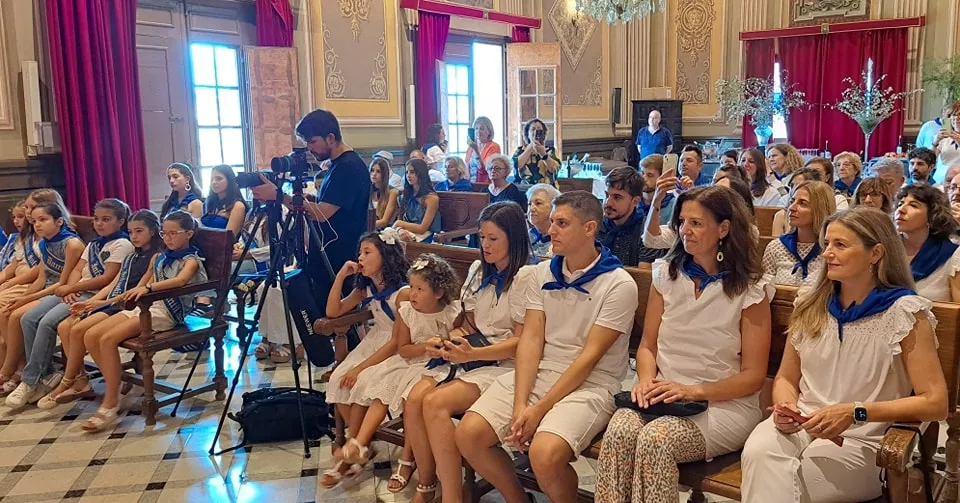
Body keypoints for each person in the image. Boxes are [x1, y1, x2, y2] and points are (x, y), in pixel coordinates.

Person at [740, 208, 948, 502]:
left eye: (840, 245)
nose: (826, 254)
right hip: (803, 423)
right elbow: (787, 377)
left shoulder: (904, 313)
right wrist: (786, 405)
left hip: (862, 439)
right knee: (759, 453)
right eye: (826, 244)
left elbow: (935, 402)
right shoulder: (810, 304)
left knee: (794, 480)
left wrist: (855, 411)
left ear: (875, 253)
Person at [456, 191, 638, 503]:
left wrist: (538, 410)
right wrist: (520, 405)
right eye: (552, 222)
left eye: (562, 223)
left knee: (544, 453)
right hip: (541, 371)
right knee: (469, 434)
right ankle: (518, 499)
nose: (550, 230)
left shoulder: (618, 284)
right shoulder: (541, 273)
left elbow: (589, 357)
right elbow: (530, 341)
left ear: (589, 228)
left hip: (592, 383)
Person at [596, 185, 773, 503]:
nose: (685, 231)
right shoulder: (667, 275)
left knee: (657, 439)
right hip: (665, 395)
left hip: (722, 404)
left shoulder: (750, 288)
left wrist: (693, 391)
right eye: (682, 222)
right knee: (621, 428)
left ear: (723, 228)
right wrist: (647, 381)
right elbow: (648, 345)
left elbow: (753, 376)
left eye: (696, 223)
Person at [403, 202, 535, 502]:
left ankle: (455, 497)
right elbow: (471, 323)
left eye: (493, 239)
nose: (485, 245)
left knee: (436, 403)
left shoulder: (527, 276)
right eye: (482, 237)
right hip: (476, 357)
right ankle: (442, 488)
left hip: (510, 365)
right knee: (420, 398)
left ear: (513, 238)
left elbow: (523, 342)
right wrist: (452, 339)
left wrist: (471, 354)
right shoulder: (479, 269)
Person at [334, 254, 460, 487]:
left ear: (439, 293)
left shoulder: (453, 312)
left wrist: (444, 345)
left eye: (420, 289)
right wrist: (424, 346)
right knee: (379, 385)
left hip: (438, 367)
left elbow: (460, 339)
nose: (412, 294)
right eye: (411, 286)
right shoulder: (407, 312)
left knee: (409, 397)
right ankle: (359, 443)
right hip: (410, 361)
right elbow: (403, 349)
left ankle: (405, 459)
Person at [79, 210, 208, 431]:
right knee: (91, 335)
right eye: (164, 233)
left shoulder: (191, 260)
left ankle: (111, 403)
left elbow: (180, 280)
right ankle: (117, 379)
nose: (167, 238)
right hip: (145, 308)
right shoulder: (158, 257)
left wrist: (149, 288)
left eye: (173, 234)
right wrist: (101, 304)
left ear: (188, 233)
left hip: (165, 313)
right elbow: (138, 287)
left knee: (108, 339)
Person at [250, 109, 372, 314]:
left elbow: (322, 213)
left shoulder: (348, 167)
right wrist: (307, 201)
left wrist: (279, 196)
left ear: (331, 138)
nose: (309, 148)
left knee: (335, 320)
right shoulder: (337, 165)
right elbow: (333, 206)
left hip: (337, 257)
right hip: (327, 255)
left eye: (313, 141)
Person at [320, 228, 410, 488]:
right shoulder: (366, 288)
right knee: (337, 379)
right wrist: (340, 276)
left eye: (367, 252)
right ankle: (361, 445)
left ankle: (352, 453)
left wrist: (359, 368)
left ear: (386, 255)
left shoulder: (402, 293)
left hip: (394, 347)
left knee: (359, 381)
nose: (360, 258)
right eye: (359, 252)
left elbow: (396, 340)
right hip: (372, 342)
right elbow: (333, 310)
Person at [46, 210, 163, 408]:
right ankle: (83, 379)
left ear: (153, 231)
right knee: (66, 326)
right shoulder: (132, 255)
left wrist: (100, 303)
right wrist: (94, 301)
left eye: (139, 232)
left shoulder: (155, 256)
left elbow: (135, 290)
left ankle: (74, 380)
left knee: (81, 330)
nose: (133, 237)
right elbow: (114, 283)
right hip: (114, 300)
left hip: (129, 305)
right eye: (131, 232)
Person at [0, 201, 85, 401]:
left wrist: (26, 299)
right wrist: (23, 297)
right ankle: (36, 371)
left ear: (59, 221)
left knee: (26, 317)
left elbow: (61, 284)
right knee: (22, 317)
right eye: (35, 221)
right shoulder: (45, 242)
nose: (37, 225)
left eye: (43, 220)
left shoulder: (71, 244)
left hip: (66, 292)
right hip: (50, 290)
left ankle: (25, 373)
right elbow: (42, 278)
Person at [894, 184, 960, 302]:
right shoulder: (884, 251)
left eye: (913, 205)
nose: (901, 210)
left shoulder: (953, 254)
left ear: (932, 215)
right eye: (900, 204)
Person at [762, 182, 836, 287]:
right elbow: (765, 291)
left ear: (820, 209)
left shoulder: (831, 251)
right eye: (792, 201)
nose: (792, 208)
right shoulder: (776, 247)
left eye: (802, 203)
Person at [599, 167, 666, 266]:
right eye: (607, 195)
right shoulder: (595, 225)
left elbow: (643, 276)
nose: (608, 203)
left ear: (635, 201)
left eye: (617, 197)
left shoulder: (647, 233)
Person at [395, 159, 442, 243]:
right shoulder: (406, 195)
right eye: (407, 172)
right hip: (405, 232)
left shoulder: (431, 198)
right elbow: (400, 218)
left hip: (424, 236)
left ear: (421, 174)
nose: (408, 175)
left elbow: (422, 228)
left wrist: (399, 223)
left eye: (412, 172)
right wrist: (400, 230)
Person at [513, 118, 560, 187]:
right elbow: (516, 166)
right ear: (527, 134)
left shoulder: (551, 150)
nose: (536, 132)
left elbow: (554, 170)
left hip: (547, 189)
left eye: (539, 129)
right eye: (533, 129)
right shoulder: (520, 150)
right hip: (524, 189)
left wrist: (543, 154)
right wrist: (530, 148)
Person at [201, 165, 246, 234]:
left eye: (219, 179)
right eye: (211, 179)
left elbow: (230, 238)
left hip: (224, 243)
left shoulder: (237, 205)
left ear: (229, 180)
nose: (214, 182)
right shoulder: (210, 202)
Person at [638, 155, 677, 225]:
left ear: (663, 178)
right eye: (642, 173)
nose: (643, 178)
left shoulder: (673, 205)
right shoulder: (633, 201)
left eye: (649, 175)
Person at [527, 184, 561, 260]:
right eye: (529, 204)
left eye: (538, 203)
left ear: (553, 207)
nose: (531, 208)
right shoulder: (526, 236)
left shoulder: (560, 239)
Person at [465, 116, 501, 183]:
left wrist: (476, 151)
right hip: (470, 184)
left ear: (489, 131)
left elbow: (484, 170)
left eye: (482, 129)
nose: (478, 131)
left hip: (486, 184)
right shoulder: (470, 148)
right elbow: (466, 169)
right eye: (476, 128)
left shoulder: (494, 147)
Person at [370, 156, 400, 229]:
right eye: (372, 170)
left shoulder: (392, 192)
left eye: (378, 171)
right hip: (370, 229)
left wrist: (363, 225)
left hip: (386, 231)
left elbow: (384, 222)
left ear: (384, 174)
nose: (374, 174)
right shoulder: (367, 190)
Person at [934, 101, 960, 184]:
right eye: (954, 115)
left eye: (959, 115)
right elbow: (930, 160)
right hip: (941, 180)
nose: (956, 118)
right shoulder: (944, 137)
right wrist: (935, 143)